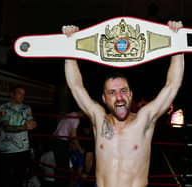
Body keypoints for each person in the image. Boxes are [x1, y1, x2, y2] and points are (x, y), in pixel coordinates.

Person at [63, 20, 184, 187]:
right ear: (104, 99)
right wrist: (69, 45)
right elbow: (76, 87)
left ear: (131, 95)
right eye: (112, 92)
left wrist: (178, 43)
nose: (119, 97)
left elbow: (172, 86)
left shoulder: (144, 120)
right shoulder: (99, 119)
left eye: (123, 91)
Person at [0, 86, 37, 187]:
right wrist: (25, 127)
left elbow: (30, 122)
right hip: (6, 149)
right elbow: (6, 128)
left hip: (23, 149)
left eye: (24, 94)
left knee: (20, 178)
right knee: (4, 179)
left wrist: (33, 124)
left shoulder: (27, 108)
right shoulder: (2, 108)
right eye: (19, 93)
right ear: (12, 94)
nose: (22, 96)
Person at [53, 110, 84, 187]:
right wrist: (80, 149)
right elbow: (73, 135)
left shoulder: (70, 114)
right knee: (63, 168)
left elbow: (67, 131)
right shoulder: (76, 119)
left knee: (59, 167)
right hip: (62, 142)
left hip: (56, 140)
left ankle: (59, 184)